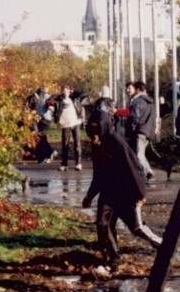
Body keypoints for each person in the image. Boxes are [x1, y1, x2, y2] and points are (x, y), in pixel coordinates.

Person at [83, 110, 162, 279]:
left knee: (136, 227)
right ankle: (112, 258)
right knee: (102, 225)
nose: (94, 137)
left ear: (103, 128)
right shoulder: (96, 146)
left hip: (125, 192)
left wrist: (140, 193)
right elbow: (99, 174)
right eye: (91, 133)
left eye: (97, 132)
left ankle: (163, 245)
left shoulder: (116, 143)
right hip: (108, 192)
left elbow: (136, 168)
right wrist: (90, 195)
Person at [126, 81, 156, 179]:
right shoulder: (151, 103)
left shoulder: (137, 102)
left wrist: (131, 130)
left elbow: (134, 118)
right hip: (149, 131)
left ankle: (143, 175)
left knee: (138, 154)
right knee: (140, 153)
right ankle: (148, 171)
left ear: (138, 89)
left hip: (140, 131)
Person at [56, 85, 84, 171]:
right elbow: (49, 100)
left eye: (67, 91)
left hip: (75, 122)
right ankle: (64, 164)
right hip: (65, 123)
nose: (65, 93)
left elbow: (84, 94)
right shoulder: (60, 100)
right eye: (63, 91)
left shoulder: (74, 98)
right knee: (65, 144)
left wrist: (74, 91)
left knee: (77, 143)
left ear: (69, 91)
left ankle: (78, 163)